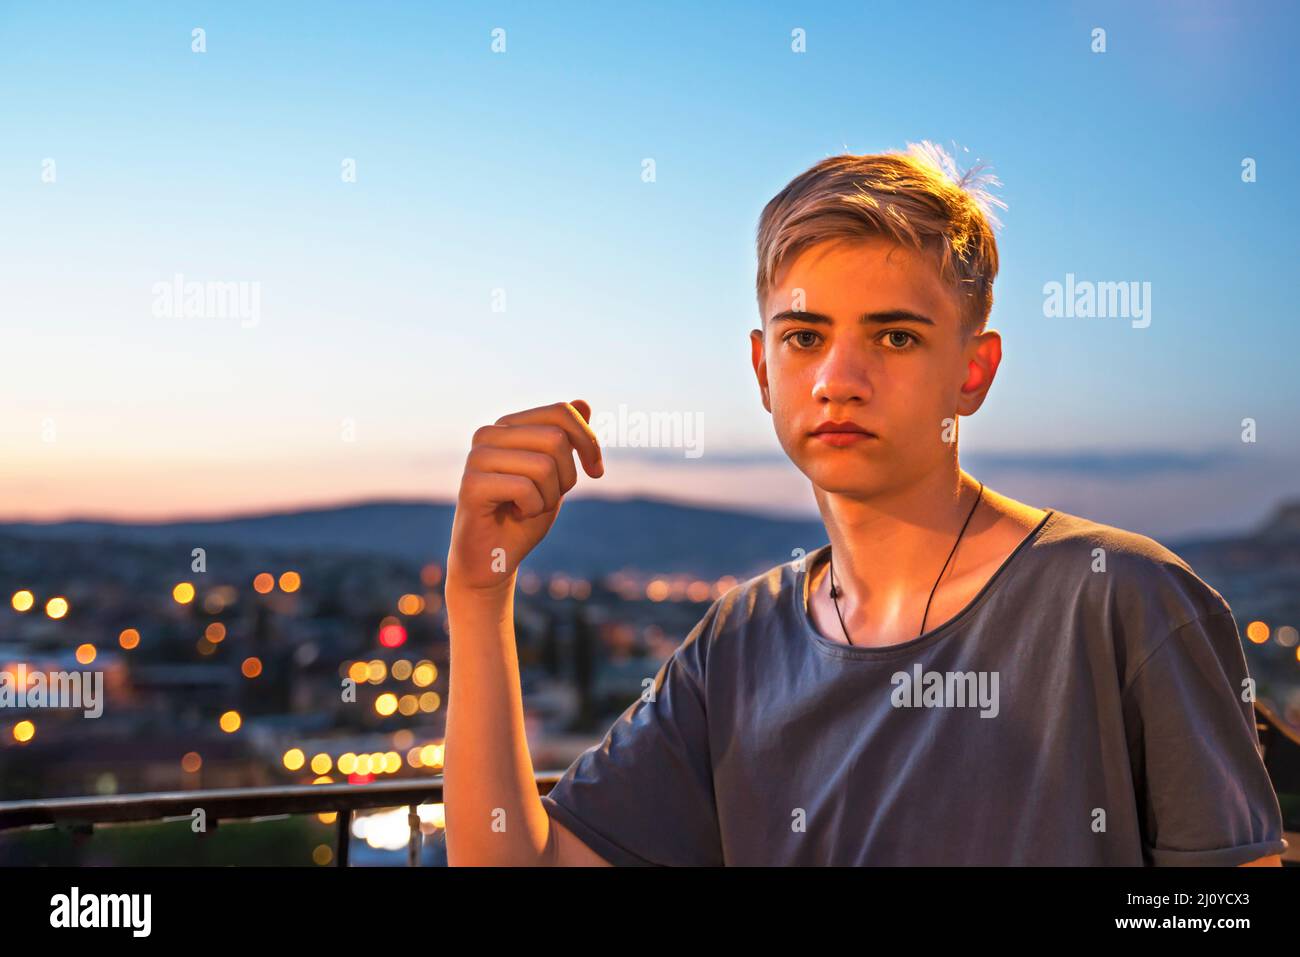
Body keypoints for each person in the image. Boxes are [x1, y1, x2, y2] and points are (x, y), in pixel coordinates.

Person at [442, 143, 1288, 866]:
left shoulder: (1122, 598)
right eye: (805, 337)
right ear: (763, 368)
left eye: (895, 336)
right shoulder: (733, 647)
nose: (838, 381)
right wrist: (479, 596)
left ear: (974, 371)